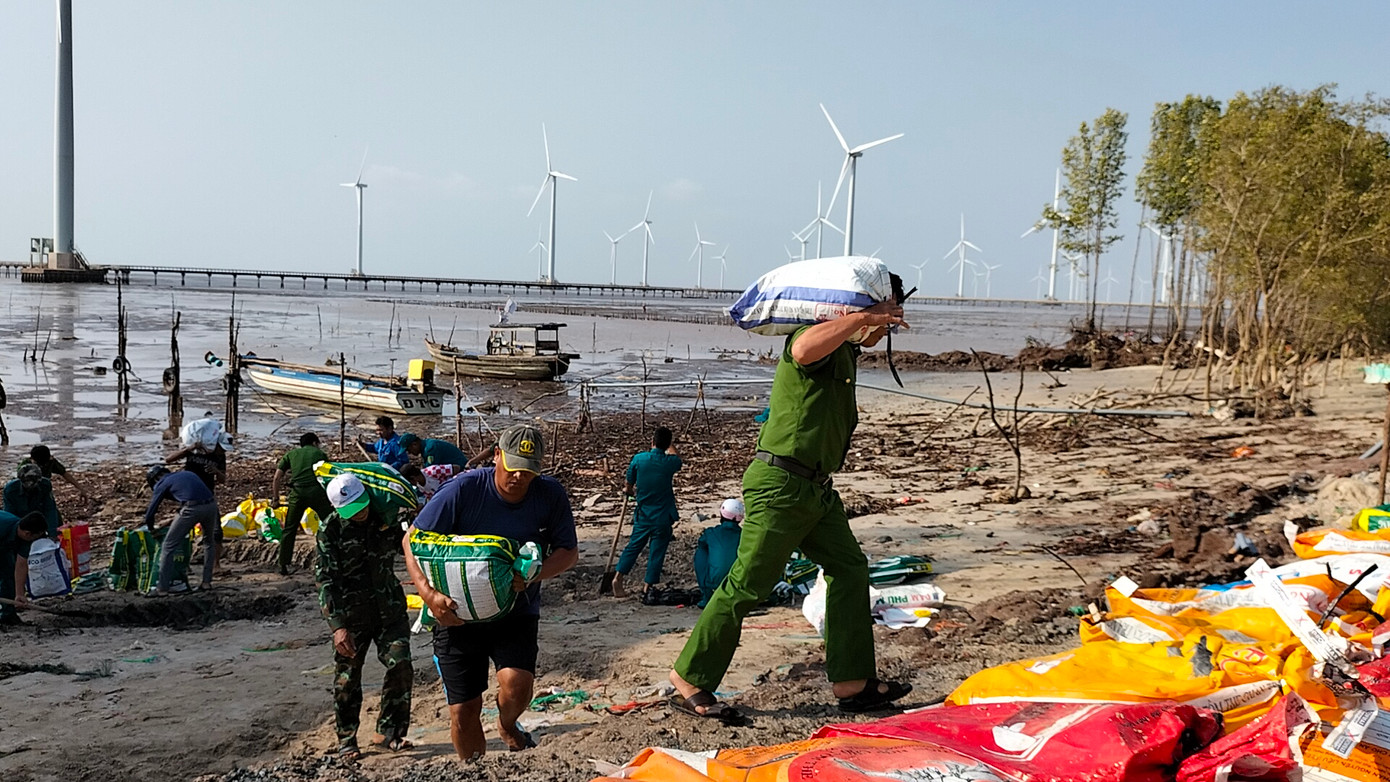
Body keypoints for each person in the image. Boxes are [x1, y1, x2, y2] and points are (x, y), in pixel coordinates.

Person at [668, 291, 913, 721]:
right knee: (748, 584)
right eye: (889, 314)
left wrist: (867, 325)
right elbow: (801, 350)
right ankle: (690, 677)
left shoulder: (845, 353)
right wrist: (863, 317)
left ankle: (852, 681)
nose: (888, 325)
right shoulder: (814, 337)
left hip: (815, 489)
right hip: (781, 484)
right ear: (860, 307)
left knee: (850, 567)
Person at [402, 424, 578, 761]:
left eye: (527, 472)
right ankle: (474, 769)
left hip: (516, 609)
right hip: (456, 615)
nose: (518, 478)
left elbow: (568, 552)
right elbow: (411, 540)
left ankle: (508, 724)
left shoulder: (549, 495)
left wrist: (534, 574)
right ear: (496, 455)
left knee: (517, 687)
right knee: (464, 710)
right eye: (512, 468)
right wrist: (427, 595)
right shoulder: (464, 489)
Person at [316, 473, 413, 761]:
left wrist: (413, 526)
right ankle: (347, 740)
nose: (360, 513)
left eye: (361, 504)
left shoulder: (386, 517)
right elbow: (325, 580)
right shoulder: (330, 530)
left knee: (401, 665)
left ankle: (390, 732)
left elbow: (407, 547)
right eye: (351, 510)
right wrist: (337, 626)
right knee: (347, 680)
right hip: (351, 616)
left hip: (389, 610)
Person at [612, 427, 682, 602]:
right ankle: (647, 587)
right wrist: (669, 444)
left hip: (643, 514)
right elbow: (677, 458)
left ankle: (618, 577)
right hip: (662, 515)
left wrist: (628, 489)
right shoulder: (669, 463)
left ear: (652, 442)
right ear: (666, 445)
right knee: (657, 551)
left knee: (634, 546)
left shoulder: (639, 459)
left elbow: (630, 477)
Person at [143, 465, 221, 594]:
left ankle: (162, 589)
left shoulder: (161, 483)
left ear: (154, 479)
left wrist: (151, 528)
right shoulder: (187, 474)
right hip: (211, 506)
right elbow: (192, 493)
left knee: (168, 546)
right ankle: (206, 583)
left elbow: (150, 512)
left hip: (192, 509)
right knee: (209, 542)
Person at [271, 433, 334, 576]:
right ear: (314, 442)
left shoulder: (291, 454)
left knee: (289, 529)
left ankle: (283, 564)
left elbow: (277, 477)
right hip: (317, 493)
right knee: (330, 525)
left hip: (297, 494)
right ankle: (331, 560)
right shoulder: (320, 454)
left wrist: (275, 499)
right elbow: (328, 477)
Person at [0, 512, 49, 626]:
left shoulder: (24, 537)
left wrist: (19, 594)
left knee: (8, 574)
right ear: (28, 534)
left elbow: (21, 564)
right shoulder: (3, 527)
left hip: (3, 546)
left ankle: (8, 616)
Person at [694, 499, 745, 609]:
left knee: (701, 552)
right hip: (739, 585)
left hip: (714, 583)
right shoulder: (745, 536)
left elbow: (701, 543)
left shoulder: (711, 532)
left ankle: (707, 596)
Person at [4, 464, 60, 538]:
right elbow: (10, 514)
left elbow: (50, 509)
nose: (30, 485)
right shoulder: (11, 490)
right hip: (20, 517)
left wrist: (52, 532)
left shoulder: (45, 485)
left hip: (40, 515)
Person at [19, 445, 87, 497]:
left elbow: (65, 473)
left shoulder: (50, 462)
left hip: (44, 490)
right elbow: (19, 482)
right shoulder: (25, 466)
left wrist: (81, 489)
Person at [399, 433, 469, 469]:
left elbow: (430, 470)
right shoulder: (426, 446)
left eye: (409, 450)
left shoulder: (430, 449)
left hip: (461, 468)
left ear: (414, 444)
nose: (409, 453)